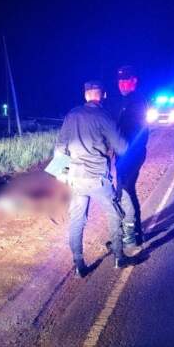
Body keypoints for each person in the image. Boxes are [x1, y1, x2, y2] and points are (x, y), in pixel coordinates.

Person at [55, 80, 128, 277]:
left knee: (77, 221)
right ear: (102, 95)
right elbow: (122, 147)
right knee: (114, 214)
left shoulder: (71, 115)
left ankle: (79, 265)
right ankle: (119, 257)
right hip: (98, 179)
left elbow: (60, 147)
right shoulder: (104, 116)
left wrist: (61, 174)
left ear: (85, 95)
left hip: (76, 178)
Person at [115, 66, 148, 250]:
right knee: (127, 191)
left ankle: (133, 234)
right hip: (125, 155)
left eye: (126, 80)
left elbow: (135, 133)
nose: (122, 83)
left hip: (131, 155)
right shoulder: (127, 100)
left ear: (134, 81)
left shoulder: (136, 102)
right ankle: (135, 232)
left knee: (126, 192)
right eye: (120, 80)